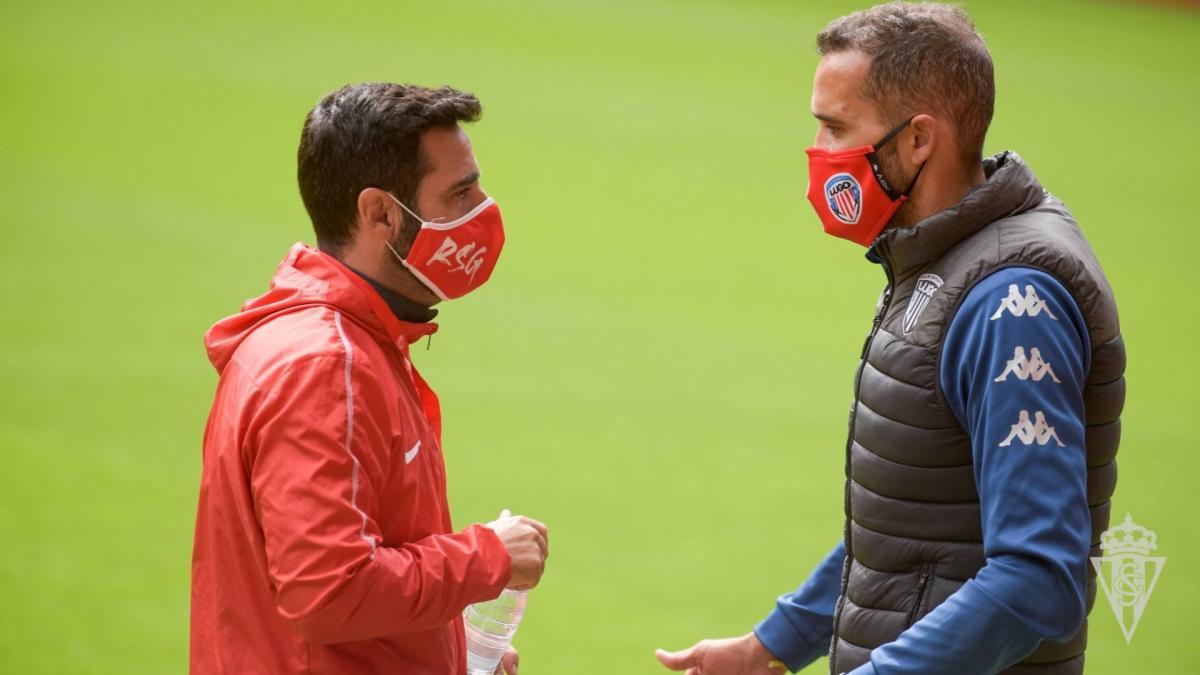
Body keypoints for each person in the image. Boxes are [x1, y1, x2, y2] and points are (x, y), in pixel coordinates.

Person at [656, 3, 1124, 673]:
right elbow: (914, 526)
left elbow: (1038, 575)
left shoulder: (1010, 302)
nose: (820, 155)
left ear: (917, 140)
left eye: (835, 127)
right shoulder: (944, 259)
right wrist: (772, 646)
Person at [191, 83, 549, 674]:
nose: (484, 211)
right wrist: (485, 556)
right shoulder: (327, 367)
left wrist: (447, 645)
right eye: (460, 194)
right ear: (380, 212)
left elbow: (348, 572)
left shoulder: (356, 341)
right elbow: (327, 591)